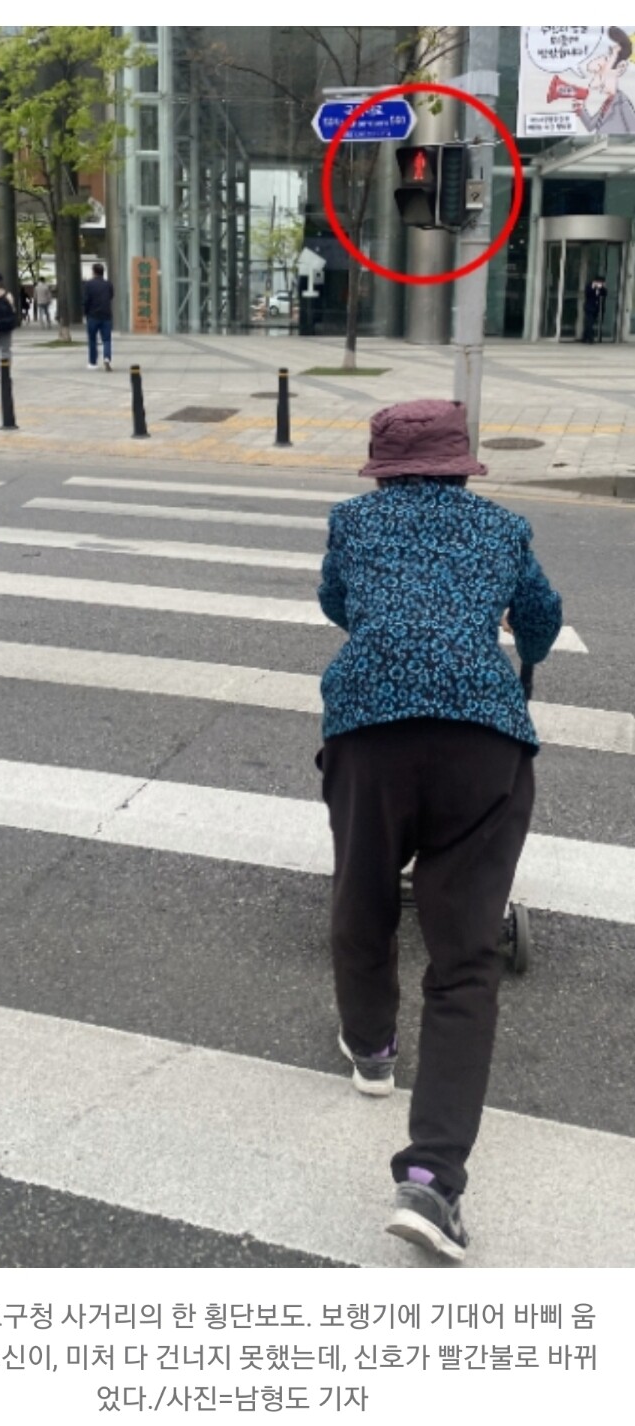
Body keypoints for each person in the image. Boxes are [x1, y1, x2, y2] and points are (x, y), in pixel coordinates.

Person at [316, 399, 563, 1262]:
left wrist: (389, 628)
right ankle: (430, 1181)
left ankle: (372, 1051)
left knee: (363, 895)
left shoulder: (351, 522)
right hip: (480, 742)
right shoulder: (501, 527)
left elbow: (336, 602)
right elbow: (540, 618)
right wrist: (514, 649)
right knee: (464, 957)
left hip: (367, 734)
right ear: (462, 465)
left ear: (381, 468)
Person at [574, 27, 635, 134]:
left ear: (620, 67)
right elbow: (590, 126)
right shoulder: (607, 102)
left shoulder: (622, 103)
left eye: (608, 56)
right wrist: (581, 109)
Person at [82, 262, 114, 370]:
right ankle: (107, 358)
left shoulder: (89, 284)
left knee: (92, 340)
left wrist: (85, 312)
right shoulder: (108, 284)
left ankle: (93, 362)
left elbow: (86, 300)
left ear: (94, 272)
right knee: (107, 339)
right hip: (106, 315)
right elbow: (111, 296)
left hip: (93, 315)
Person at [582, 275, 607, 342]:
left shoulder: (600, 288)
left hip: (597, 308)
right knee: (590, 323)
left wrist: (602, 287)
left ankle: (585, 337)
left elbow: (604, 294)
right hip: (589, 307)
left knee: (591, 323)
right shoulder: (589, 286)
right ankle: (590, 338)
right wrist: (593, 287)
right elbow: (587, 294)